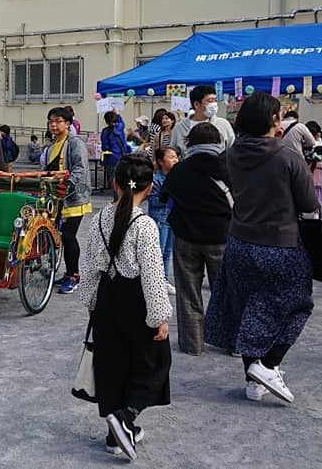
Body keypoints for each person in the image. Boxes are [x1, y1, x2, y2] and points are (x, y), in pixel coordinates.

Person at [205, 92, 318, 404]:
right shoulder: (287, 155)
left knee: (248, 310)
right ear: (273, 120)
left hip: (240, 241)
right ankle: (267, 365)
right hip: (280, 244)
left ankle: (253, 382)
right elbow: (309, 203)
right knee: (297, 306)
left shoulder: (231, 153)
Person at [77, 155, 171, 461]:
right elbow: (154, 274)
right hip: (136, 299)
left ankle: (115, 436)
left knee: (113, 364)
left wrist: (91, 301)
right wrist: (159, 317)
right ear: (150, 188)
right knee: (154, 362)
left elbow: (89, 265)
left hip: (106, 297)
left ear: (115, 183)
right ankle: (127, 416)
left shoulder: (100, 218)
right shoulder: (145, 225)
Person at [159, 123, 232, 356]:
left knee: (188, 292)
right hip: (221, 237)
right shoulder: (228, 167)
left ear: (189, 142)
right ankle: (234, 343)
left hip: (186, 237)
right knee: (228, 290)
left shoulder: (180, 169)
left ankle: (193, 344)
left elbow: (164, 196)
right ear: (219, 141)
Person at [44, 107, 91, 294]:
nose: (53, 125)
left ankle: (74, 276)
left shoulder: (74, 142)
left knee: (69, 236)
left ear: (68, 124)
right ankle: (67, 273)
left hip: (73, 198)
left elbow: (81, 168)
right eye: (50, 121)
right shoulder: (52, 145)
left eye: (58, 121)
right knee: (60, 237)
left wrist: (69, 184)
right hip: (56, 198)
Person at [169, 85, 235, 157]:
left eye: (215, 100)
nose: (214, 104)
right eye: (210, 101)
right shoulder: (179, 127)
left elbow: (233, 149)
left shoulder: (223, 124)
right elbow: (173, 153)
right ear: (197, 104)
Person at [148, 147, 178, 294]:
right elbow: (153, 201)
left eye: (176, 157)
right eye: (171, 157)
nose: (175, 159)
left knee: (167, 251)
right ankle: (156, 280)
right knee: (158, 251)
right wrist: (171, 198)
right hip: (160, 218)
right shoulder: (156, 179)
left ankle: (164, 279)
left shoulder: (177, 177)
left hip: (172, 218)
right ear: (160, 161)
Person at [100, 111, 130, 201]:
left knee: (114, 180)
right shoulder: (120, 128)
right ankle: (125, 198)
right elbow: (122, 122)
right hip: (122, 157)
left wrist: (103, 162)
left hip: (111, 159)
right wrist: (117, 114)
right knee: (124, 179)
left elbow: (105, 147)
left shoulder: (105, 132)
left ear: (105, 121)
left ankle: (117, 198)